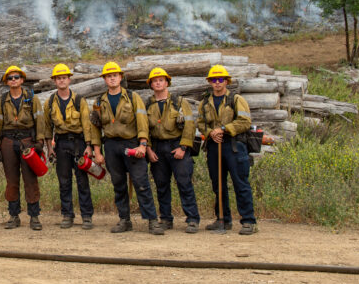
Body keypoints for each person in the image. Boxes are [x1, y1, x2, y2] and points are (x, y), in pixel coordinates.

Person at [90, 62, 163, 235]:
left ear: (120, 77)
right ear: (105, 80)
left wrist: (143, 145)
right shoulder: (99, 101)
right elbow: (95, 127)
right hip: (111, 145)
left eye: (115, 75)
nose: (112, 78)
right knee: (118, 184)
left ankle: (152, 220)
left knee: (141, 183)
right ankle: (124, 220)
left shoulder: (132, 97)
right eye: (109, 76)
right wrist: (98, 152)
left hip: (131, 144)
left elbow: (142, 122)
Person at [197, 64, 257, 235]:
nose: (217, 83)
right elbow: (200, 123)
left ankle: (248, 221)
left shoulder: (237, 100)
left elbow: (245, 122)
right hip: (214, 146)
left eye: (220, 79)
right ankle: (222, 219)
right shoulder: (205, 103)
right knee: (218, 185)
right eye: (214, 80)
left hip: (234, 146)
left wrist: (223, 129)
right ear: (210, 82)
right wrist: (210, 133)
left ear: (226, 81)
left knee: (241, 183)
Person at [44, 64, 100, 230]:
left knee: (82, 181)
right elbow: (47, 128)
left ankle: (87, 216)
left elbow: (87, 124)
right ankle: (67, 215)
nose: (61, 81)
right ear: (54, 81)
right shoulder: (49, 102)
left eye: (64, 78)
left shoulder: (79, 100)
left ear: (69, 79)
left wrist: (88, 146)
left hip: (79, 144)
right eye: (58, 78)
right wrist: (50, 148)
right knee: (64, 181)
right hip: (60, 144)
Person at [144, 67, 200, 234]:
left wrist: (183, 147)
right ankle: (166, 219)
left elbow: (190, 125)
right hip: (157, 148)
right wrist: (148, 149)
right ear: (151, 85)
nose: (158, 83)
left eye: (161, 80)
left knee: (184, 184)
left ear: (167, 82)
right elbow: (143, 127)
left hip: (177, 146)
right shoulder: (148, 104)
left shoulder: (179, 102)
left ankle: (192, 219)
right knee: (161, 185)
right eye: (155, 81)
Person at [0, 65, 48, 230]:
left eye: (16, 77)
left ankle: (34, 216)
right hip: (8, 142)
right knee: (11, 180)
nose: (13, 80)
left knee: (30, 180)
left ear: (22, 80)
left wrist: (40, 142)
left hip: (27, 141)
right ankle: (13, 216)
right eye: (10, 78)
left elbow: (40, 121)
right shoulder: (1, 101)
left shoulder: (32, 99)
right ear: (6, 82)